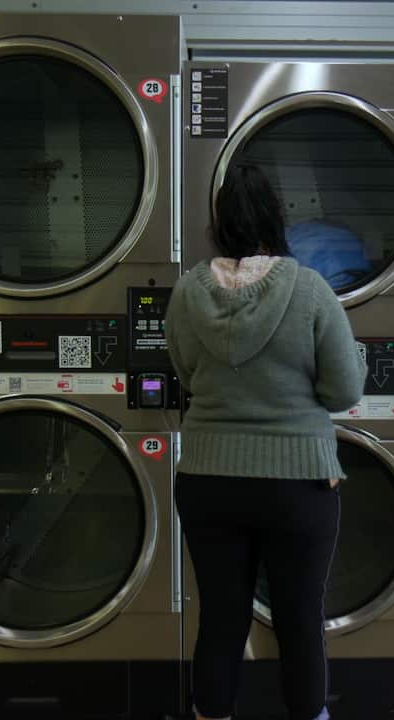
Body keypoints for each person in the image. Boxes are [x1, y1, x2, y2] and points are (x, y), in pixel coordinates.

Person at [165, 163, 367, 720]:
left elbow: (186, 374)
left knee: (221, 619)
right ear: (278, 221)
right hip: (297, 483)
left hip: (208, 480)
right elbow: (342, 391)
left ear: (219, 225)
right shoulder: (310, 289)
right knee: (299, 618)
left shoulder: (187, 292)